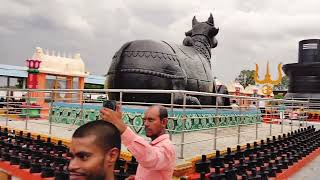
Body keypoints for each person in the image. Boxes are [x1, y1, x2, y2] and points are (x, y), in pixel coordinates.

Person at [100, 105, 176, 180]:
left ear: (164, 122)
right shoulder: (155, 145)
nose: (145, 124)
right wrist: (137, 177)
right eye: (144, 120)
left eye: (150, 120)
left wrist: (122, 127)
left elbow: (150, 158)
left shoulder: (167, 148)